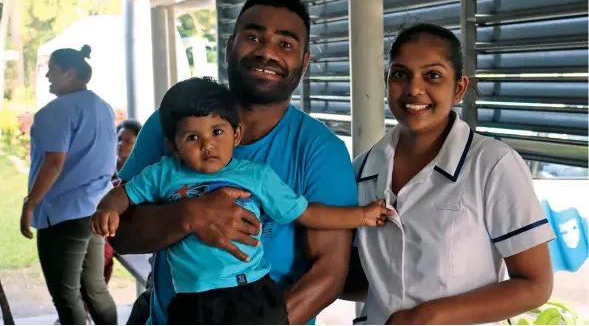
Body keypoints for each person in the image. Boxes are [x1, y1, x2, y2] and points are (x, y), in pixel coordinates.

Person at [109, 0, 358, 325]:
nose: (267, 53)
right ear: (229, 46)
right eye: (254, 37)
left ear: (305, 61)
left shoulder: (320, 150)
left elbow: (327, 275)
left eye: (285, 44)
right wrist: (189, 215)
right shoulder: (171, 125)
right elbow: (120, 234)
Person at [93, 77, 388, 324]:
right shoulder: (163, 173)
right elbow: (126, 194)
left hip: (251, 291)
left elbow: (305, 212)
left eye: (217, 132)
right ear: (173, 145)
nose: (207, 144)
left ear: (236, 135)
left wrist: (361, 216)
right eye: (192, 138)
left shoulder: (256, 175)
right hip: (192, 299)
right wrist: (108, 207)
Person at [345, 23, 555, 325]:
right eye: (401, 74)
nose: (414, 89)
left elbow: (535, 285)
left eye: (432, 75)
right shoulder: (363, 170)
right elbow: (362, 277)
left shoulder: (493, 164)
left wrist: (428, 315)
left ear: (458, 88)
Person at [20, 45, 118, 325]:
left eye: (52, 70)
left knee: (67, 295)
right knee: (94, 288)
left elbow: (53, 163)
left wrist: (31, 204)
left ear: (70, 73)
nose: (48, 76)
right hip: (95, 209)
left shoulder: (55, 111)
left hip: (63, 214)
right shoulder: (102, 107)